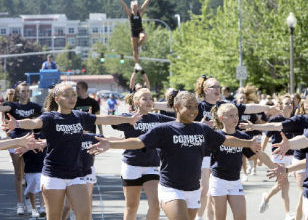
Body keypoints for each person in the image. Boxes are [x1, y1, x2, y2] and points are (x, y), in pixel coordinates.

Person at [88, 91, 261, 220]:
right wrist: (111, 144)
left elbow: (226, 140)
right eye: (189, 107)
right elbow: (138, 142)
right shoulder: (164, 129)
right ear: (177, 107)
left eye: (195, 107)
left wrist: (248, 144)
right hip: (171, 189)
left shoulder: (202, 129)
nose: (193, 111)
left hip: (193, 189)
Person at [2, 83, 141, 220]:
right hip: (54, 175)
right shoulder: (50, 117)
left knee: (85, 215)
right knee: (55, 217)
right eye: (66, 95)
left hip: (76, 174)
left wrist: (129, 119)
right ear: (57, 99)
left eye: (73, 95)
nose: (72, 98)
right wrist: (18, 123)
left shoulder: (79, 116)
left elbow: (104, 119)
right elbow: (34, 123)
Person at [239, 93, 308, 220]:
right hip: (281, 154)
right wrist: (253, 127)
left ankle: (267, 196)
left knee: (288, 187)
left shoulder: (297, 117)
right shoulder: (297, 119)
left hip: (294, 155)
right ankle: (287, 214)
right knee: (287, 185)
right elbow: (272, 130)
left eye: (290, 103)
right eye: (286, 103)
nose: (289, 106)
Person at [112, 88, 175, 220]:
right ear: (136, 102)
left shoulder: (158, 118)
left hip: (151, 165)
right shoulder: (129, 118)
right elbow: (112, 122)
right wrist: (126, 118)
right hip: (132, 165)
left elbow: (179, 121)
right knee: (132, 206)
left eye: (151, 98)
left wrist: (201, 124)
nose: (149, 101)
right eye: (144, 99)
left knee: (155, 205)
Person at [209, 103, 275, 220]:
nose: (235, 118)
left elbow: (259, 154)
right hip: (218, 181)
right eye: (231, 116)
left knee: (241, 217)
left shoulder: (243, 136)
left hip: (235, 181)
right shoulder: (216, 135)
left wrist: (275, 167)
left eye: (236, 115)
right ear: (221, 118)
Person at [0, 82, 43, 215]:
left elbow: (47, 113)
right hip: (15, 142)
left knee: (31, 174)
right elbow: (3, 109)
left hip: (30, 142)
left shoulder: (34, 106)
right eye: (23, 91)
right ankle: (20, 204)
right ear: (18, 93)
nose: (26, 93)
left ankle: (32, 203)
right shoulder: (13, 106)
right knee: (19, 175)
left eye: (27, 91)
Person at [112, 0, 156, 70]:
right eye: (133, 8)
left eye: (136, 7)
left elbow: (145, 4)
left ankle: (139, 45)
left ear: (137, 8)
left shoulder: (140, 13)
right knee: (134, 50)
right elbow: (124, 6)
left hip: (140, 30)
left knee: (143, 37)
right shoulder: (130, 14)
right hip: (133, 32)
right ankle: (137, 63)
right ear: (131, 8)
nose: (135, 9)